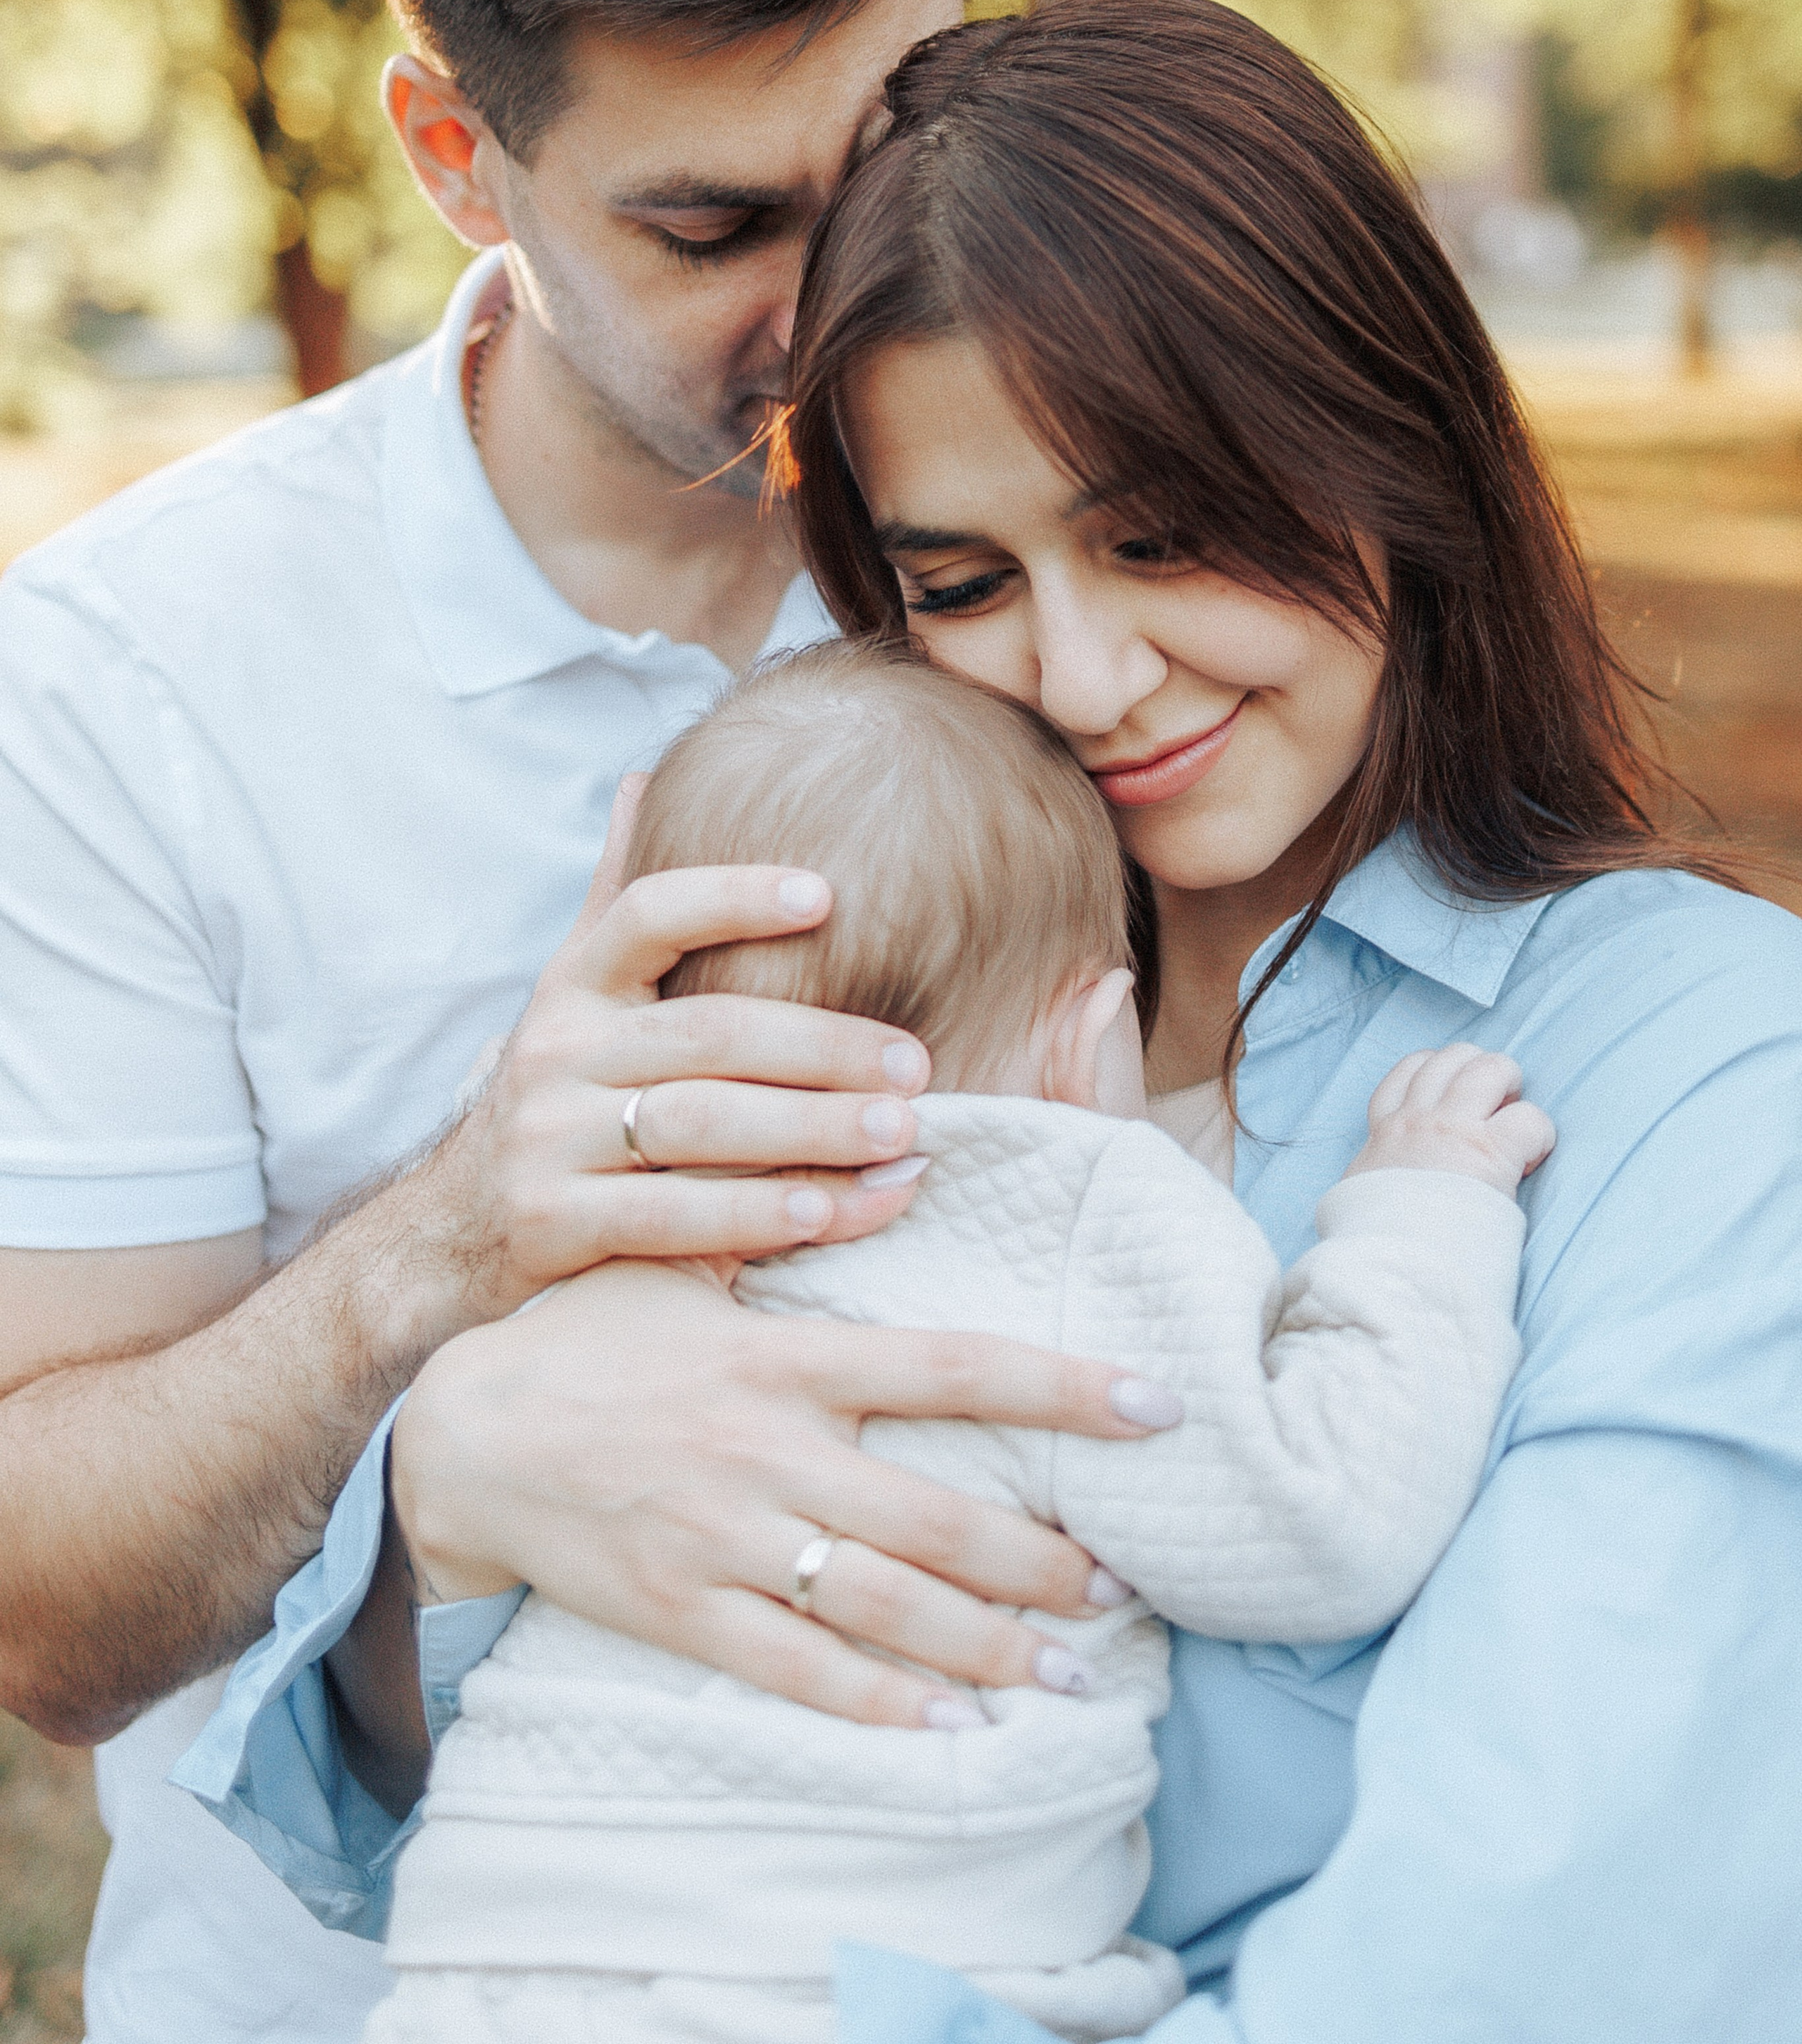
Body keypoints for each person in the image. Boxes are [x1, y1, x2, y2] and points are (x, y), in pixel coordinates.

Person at [206, 0, 1802, 2043]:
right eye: (959, 582)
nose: (1085, 675)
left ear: (1386, 448)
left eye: (1165, 536)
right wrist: (452, 1486)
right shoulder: (833, 978)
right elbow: (456, 1783)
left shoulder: (1706, 1079)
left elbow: (1539, 1970)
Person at [0, 0, 1154, 2044]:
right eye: (718, 225)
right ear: (453, 154)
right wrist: (442, 1255)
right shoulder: (116, 696)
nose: (857, 288)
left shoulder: (1111, 575)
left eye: (900, 136)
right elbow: (42, 1613)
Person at [366, 641, 1541, 2044]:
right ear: (1091, 1034)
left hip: (476, 1961)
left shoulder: (606, 1230)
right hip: (846, 1988)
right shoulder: (1065, 1206)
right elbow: (1320, 1526)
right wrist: (1418, 1215)